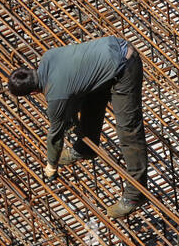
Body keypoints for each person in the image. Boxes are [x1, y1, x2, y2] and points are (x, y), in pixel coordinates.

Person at [8, 36, 149, 220]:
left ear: (33, 93)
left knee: (128, 129)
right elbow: (75, 89)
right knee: (89, 99)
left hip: (125, 66)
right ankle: (85, 149)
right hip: (110, 52)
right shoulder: (48, 57)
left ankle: (135, 196)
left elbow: (55, 136)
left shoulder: (56, 95)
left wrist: (51, 165)